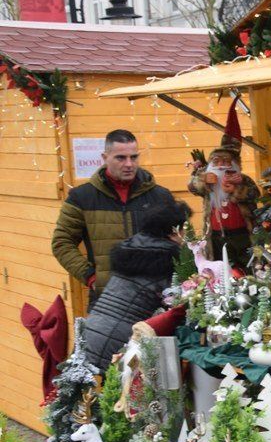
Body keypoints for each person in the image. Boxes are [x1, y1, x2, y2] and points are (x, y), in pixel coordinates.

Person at [51, 129, 176, 300]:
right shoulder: (82, 197)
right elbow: (62, 243)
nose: (129, 164)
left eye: (134, 157)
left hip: (155, 298)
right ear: (104, 158)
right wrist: (91, 277)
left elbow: (176, 242)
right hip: (107, 299)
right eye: (120, 158)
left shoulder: (160, 196)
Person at [78, 199, 191, 370]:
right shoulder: (168, 258)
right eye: (183, 228)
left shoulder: (133, 246)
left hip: (91, 329)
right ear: (172, 231)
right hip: (118, 338)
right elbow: (177, 304)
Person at [187, 103, 259, 268]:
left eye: (226, 162)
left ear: (234, 164)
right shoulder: (207, 179)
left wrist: (236, 191)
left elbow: (255, 194)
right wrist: (203, 181)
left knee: (246, 265)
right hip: (216, 235)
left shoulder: (242, 179)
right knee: (220, 267)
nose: (221, 165)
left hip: (242, 234)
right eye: (217, 162)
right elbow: (192, 186)